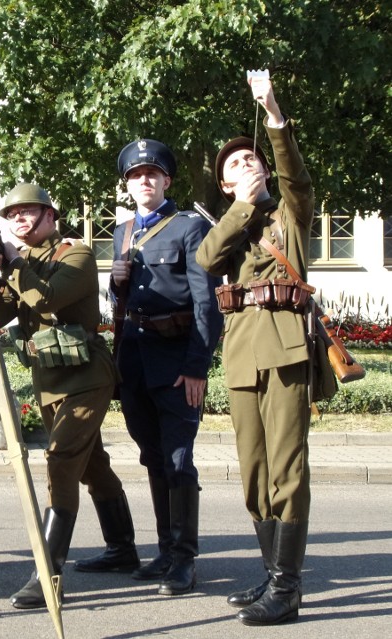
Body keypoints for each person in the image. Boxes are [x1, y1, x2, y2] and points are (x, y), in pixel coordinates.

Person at [0, 183, 139, 610]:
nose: (18, 218)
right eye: (11, 213)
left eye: (28, 211)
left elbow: (47, 298)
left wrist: (13, 265)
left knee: (61, 461)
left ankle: (47, 574)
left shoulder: (77, 253)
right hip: (50, 380)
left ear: (51, 215)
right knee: (91, 464)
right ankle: (123, 546)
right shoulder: (23, 261)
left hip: (87, 376)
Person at [197, 76, 314, 626]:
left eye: (253, 158)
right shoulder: (234, 224)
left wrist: (273, 115)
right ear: (225, 186)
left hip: (286, 351)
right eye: (237, 164)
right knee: (253, 473)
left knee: (287, 471)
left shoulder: (289, 215)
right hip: (243, 356)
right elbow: (205, 258)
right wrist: (240, 210)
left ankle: (287, 589)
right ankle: (271, 574)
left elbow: (296, 176)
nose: (250, 164)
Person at [105, 139, 223, 596]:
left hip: (175, 363)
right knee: (152, 457)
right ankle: (164, 550)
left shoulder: (189, 228)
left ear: (167, 181)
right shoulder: (123, 231)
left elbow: (205, 304)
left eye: (152, 174)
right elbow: (124, 303)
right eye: (135, 176)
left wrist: (197, 367)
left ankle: (185, 559)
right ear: (128, 185)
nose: (144, 181)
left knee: (178, 461)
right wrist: (115, 288)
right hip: (135, 360)